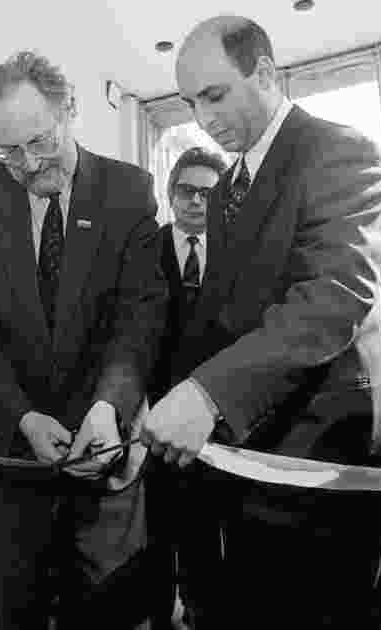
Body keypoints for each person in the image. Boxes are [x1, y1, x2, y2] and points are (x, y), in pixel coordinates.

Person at [141, 15, 381, 627]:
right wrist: (150, 406)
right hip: (255, 455)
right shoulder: (230, 184)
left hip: (327, 452)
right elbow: (226, 319)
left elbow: (335, 295)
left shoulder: (339, 150)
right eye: (190, 103)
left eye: (215, 95)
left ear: (264, 72)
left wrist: (207, 395)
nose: (203, 119)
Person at [0, 51, 167, 630]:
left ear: (70, 110)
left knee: (110, 609)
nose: (30, 163)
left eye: (40, 141)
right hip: (15, 453)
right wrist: (21, 417)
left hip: (105, 446)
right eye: (9, 151)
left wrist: (107, 408)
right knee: (18, 610)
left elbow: (137, 316)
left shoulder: (128, 190)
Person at [147, 147, 226, 630]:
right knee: (156, 522)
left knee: (208, 520)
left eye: (208, 193)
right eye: (187, 190)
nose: (197, 200)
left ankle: (203, 606)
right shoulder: (144, 250)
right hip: (153, 412)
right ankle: (156, 610)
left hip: (218, 415)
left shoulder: (240, 256)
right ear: (172, 194)